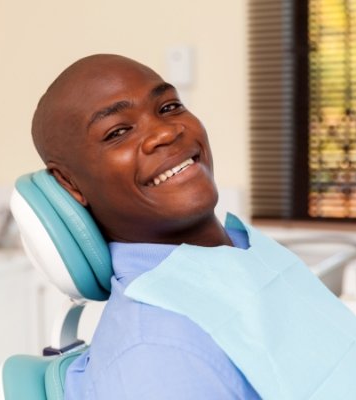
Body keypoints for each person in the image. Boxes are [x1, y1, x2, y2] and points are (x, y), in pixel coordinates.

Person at [31, 54, 260, 399]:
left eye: (168, 107)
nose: (165, 132)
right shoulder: (159, 357)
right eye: (118, 132)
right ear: (70, 184)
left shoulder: (244, 250)